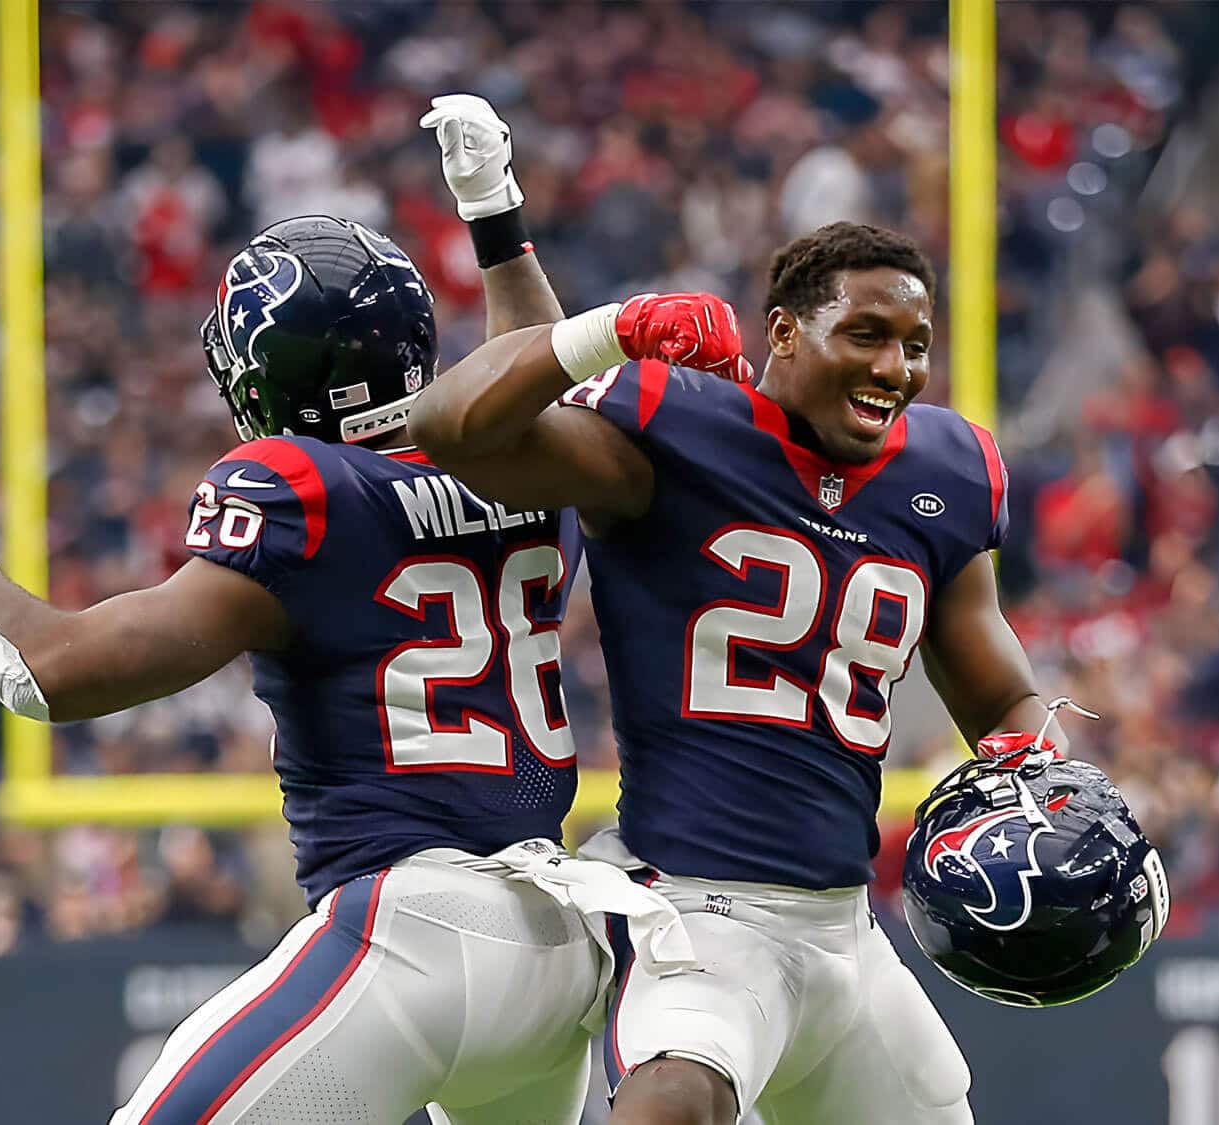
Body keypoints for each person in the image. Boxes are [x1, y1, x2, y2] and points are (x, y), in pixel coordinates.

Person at [0, 97, 693, 1125]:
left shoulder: (305, 491)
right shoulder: (531, 467)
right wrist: (493, 214)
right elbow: (530, 373)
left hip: (414, 933)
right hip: (556, 949)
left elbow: (42, 672)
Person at [411, 219, 1161, 1123]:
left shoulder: (947, 470)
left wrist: (1034, 777)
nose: (894, 367)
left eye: (915, 345)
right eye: (866, 334)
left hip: (846, 930)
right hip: (697, 909)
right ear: (784, 332)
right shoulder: (680, 428)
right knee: (675, 1101)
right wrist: (610, 328)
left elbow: (1001, 694)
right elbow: (452, 430)